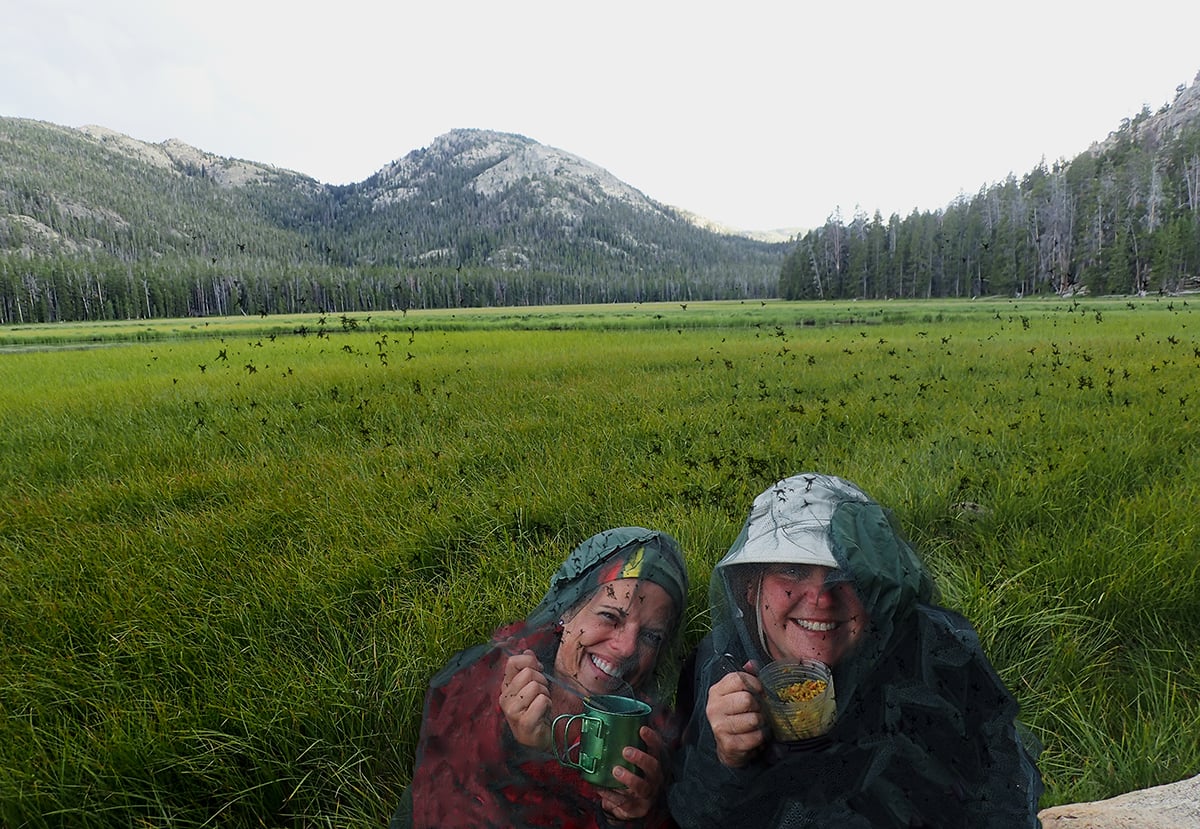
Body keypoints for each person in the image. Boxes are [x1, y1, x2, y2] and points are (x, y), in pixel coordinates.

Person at [669, 473, 1043, 828]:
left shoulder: (934, 655)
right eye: (794, 571)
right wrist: (725, 761)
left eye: (846, 576)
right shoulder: (720, 671)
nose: (820, 598)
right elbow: (695, 817)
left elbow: (1002, 787)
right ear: (751, 588)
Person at [391, 526, 689, 828]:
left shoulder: (648, 739)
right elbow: (440, 797)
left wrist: (629, 815)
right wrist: (516, 744)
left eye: (651, 636)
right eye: (610, 616)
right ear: (567, 610)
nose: (627, 648)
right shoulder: (488, 678)